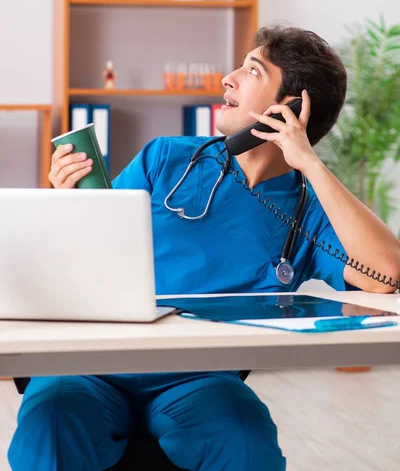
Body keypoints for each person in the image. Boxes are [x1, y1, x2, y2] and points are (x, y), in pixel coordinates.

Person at [9, 25, 400, 471]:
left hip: (199, 378)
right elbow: (90, 249)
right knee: (51, 430)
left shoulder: (308, 212)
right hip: (92, 365)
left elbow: (385, 272)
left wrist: (308, 162)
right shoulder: (166, 159)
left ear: (290, 108)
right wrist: (69, 202)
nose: (227, 78)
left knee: (247, 443)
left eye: (252, 70)